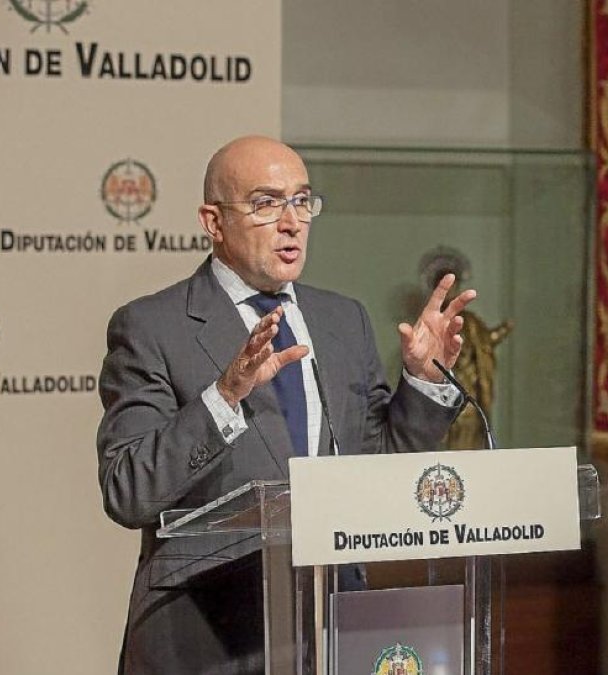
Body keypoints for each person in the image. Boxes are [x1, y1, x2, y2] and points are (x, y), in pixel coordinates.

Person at [96, 136, 476, 674]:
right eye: (266, 203)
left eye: (302, 201)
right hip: (208, 639)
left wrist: (421, 380)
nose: (292, 221)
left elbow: (376, 465)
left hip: (335, 627)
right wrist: (225, 396)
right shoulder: (153, 327)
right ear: (213, 220)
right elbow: (128, 491)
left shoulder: (342, 321)